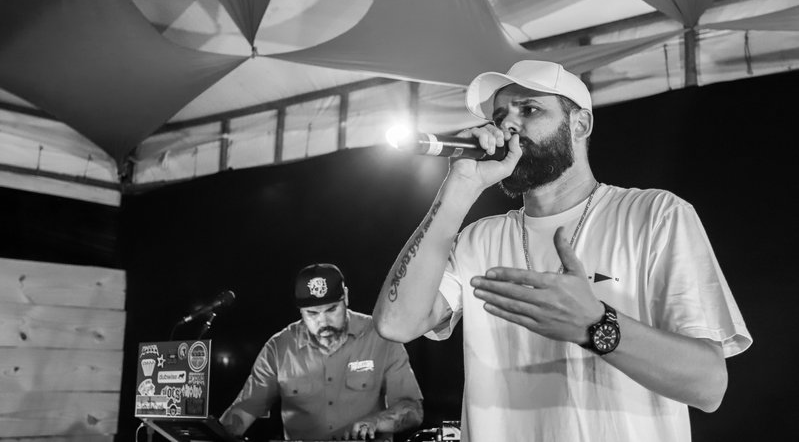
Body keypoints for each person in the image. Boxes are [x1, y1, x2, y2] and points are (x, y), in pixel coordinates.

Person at [373, 60, 752, 442]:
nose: (508, 126)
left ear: (580, 124)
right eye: (500, 117)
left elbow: (709, 386)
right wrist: (459, 187)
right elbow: (395, 324)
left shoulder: (655, 215)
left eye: (529, 109)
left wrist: (596, 325)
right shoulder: (478, 240)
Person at [221, 263, 423, 440]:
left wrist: (375, 422)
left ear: (346, 297)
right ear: (300, 310)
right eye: (312, 314)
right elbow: (244, 411)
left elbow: (413, 410)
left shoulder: (380, 337)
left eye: (331, 310)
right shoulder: (279, 348)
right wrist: (213, 434)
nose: (323, 321)